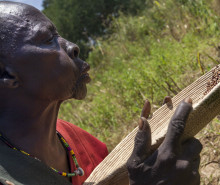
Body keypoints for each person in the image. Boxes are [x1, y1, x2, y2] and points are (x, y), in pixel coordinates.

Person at [0, 1, 202, 185]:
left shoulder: (80, 142)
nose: (73, 47)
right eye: (47, 39)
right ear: (6, 74)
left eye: (59, 35)